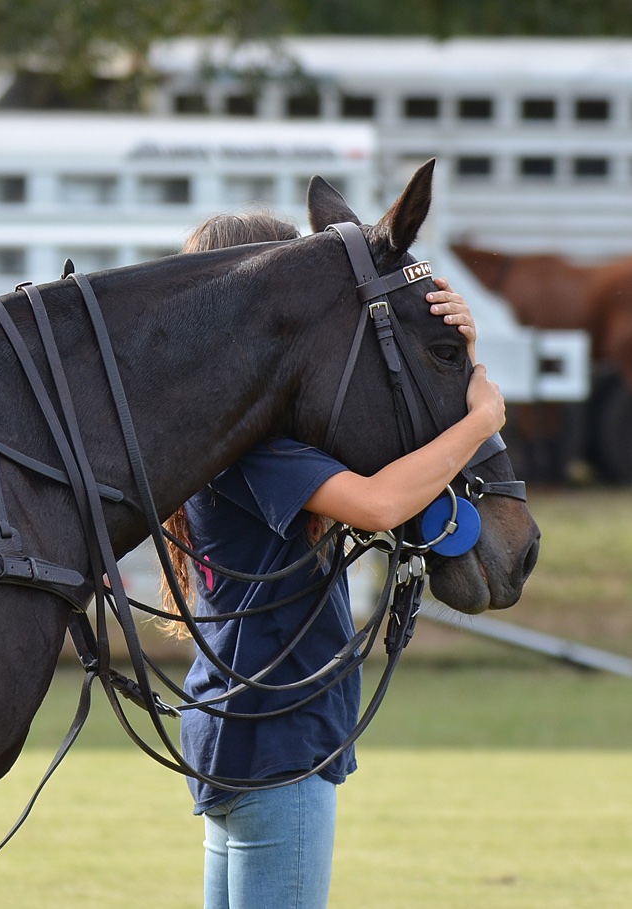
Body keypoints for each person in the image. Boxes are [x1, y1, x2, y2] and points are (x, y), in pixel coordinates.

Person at [161, 211, 502, 909]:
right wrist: (480, 422)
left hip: (237, 730)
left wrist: (458, 343)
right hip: (276, 736)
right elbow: (379, 503)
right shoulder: (259, 449)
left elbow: (385, 424)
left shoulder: (222, 435)